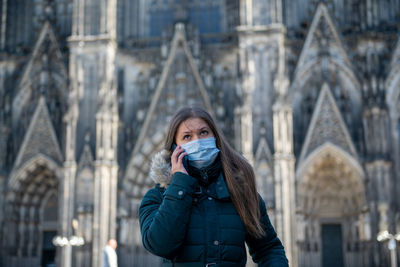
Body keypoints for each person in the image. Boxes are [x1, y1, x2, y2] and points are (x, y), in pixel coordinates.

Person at [139, 106, 289, 266]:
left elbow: (268, 249)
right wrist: (179, 184)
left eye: (203, 132)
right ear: (175, 147)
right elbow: (159, 245)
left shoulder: (240, 193)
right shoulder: (158, 197)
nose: (197, 141)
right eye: (187, 137)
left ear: (216, 137)